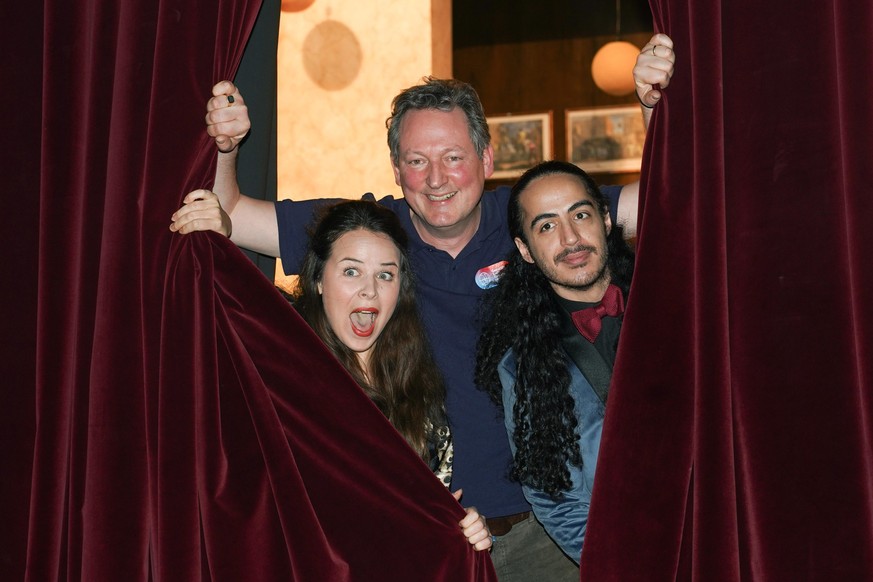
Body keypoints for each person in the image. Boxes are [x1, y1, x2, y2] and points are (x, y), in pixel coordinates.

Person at [169, 33, 674, 580]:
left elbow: (665, 205)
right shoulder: (370, 235)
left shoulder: (531, 218)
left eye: (454, 158)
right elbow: (232, 213)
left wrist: (652, 110)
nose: (436, 180)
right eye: (417, 161)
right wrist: (226, 148)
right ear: (395, 168)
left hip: (545, 533)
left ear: (486, 157)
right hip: (424, 535)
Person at [284, 199, 491, 552]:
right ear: (318, 278)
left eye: (385, 274)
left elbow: (423, 510)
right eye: (351, 271)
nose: (370, 290)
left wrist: (463, 527)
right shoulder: (285, 376)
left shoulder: (417, 382)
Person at [475, 160, 634, 564]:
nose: (570, 237)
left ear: (606, 218)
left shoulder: (680, 305)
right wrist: (619, 567)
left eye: (580, 215)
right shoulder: (521, 365)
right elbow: (553, 499)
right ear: (525, 250)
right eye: (546, 226)